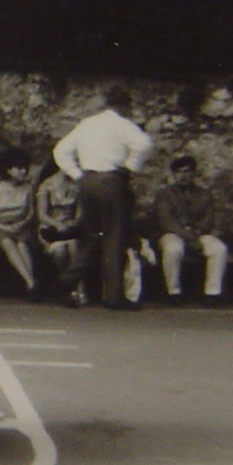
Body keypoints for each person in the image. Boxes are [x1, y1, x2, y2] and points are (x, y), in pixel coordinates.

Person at [52, 86, 153, 310]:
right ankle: (114, 296)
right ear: (125, 106)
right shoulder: (122, 124)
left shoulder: (87, 124)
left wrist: (77, 174)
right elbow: (145, 144)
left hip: (87, 182)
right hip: (112, 181)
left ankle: (64, 282)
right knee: (114, 237)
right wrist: (130, 166)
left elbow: (60, 150)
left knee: (92, 237)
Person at [155, 155, 229, 305]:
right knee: (172, 248)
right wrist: (188, 237)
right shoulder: (164, 194)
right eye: (179, 172)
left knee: (219, 249)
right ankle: (173, 292)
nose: (183, 176)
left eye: (187, 171)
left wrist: (196, 234)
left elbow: (208, 221)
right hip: (173, 233)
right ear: (174, 174)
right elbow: (166, 221)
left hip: (198, 233)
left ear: (194, 173)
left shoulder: (205, 194)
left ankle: (212, 293)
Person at [0, 148, 37, 295]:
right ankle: (31, 282)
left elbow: (32, 212)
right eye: (19, 168)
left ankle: (31, 284)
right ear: (9, 170)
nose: (23, 172)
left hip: (20, 226)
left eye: (25, 168)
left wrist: (23, 223)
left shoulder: (27, 188)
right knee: (7, 242)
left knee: (22, 245)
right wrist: (4, 228)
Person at [35, 158, 85, 304]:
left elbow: (80, 212)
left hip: (70, 228)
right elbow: (42, 214)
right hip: (50, 227)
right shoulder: (46, 185)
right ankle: (69, 285)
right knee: (60, 251)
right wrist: (56, 224)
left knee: (73, 245)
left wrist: (73, 223)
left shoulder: (77, 185)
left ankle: (80, 287)